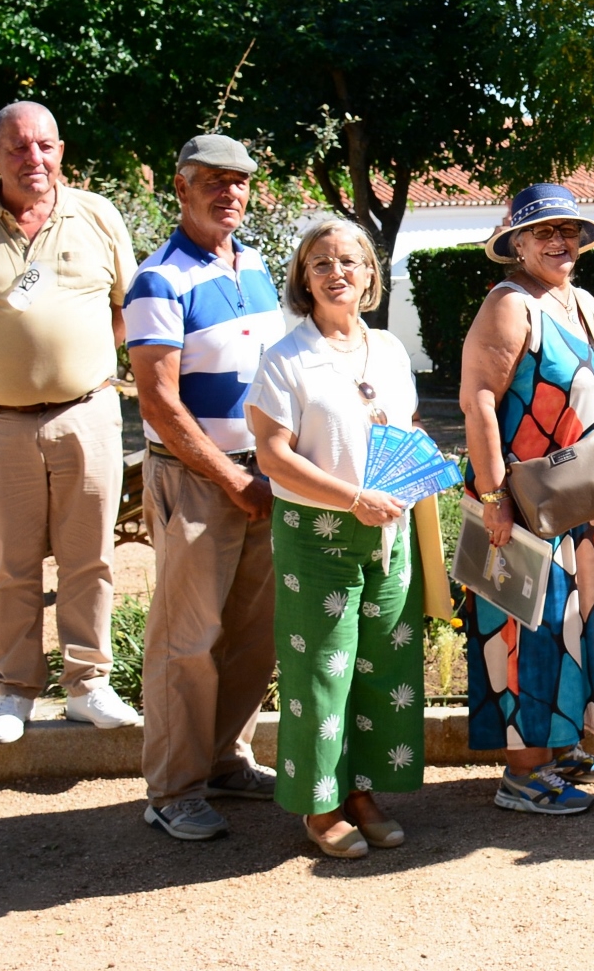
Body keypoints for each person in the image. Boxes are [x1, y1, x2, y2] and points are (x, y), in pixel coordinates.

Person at [0, 102, 141, 744]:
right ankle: (14, 693)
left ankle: (89, 686)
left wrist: (88, 360)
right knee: (12, 565)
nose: (31, 158)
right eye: (16, 148)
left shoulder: (99, 216)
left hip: (87, 416)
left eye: (43, 146)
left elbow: (130, 308)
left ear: (60, 150)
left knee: (89, 559)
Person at [459, 184, 594, 815]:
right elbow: (479, 402)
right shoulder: (508, 304)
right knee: (531, 627)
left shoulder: (582, 301)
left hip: (593, 496)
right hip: (528, 500)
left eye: (569, 231)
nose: (559, 241)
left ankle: (561, 746)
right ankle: (523, 774)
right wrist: (493, 496)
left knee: (581, 622)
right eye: (543, 232)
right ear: (516, 244)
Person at [246, 218, 424, 860]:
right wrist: (353, 498)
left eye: (349, 260)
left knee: (383, 667)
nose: (336, 272)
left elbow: (405, 427)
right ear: (303, 279)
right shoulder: (285, 359)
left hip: (391, 529)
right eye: (320, 263)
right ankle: (321, 805)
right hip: (318, 534)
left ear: (371, 274)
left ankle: (363, 793)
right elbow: (271, 455)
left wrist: (410, 482)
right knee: (321, 670)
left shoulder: (391, 351)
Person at [126, 135, 286, 841]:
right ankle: (172, 790)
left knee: (255, 636)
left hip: (264, 477)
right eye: (213, 181)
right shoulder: (157, 280)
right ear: (180, 187)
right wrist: (231, 478)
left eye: (240, 182)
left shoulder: (256, 267)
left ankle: (225, 760)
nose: (229, 193)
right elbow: (158, 403)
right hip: (198, 482)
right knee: (185, 642)